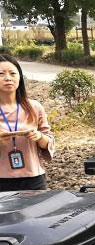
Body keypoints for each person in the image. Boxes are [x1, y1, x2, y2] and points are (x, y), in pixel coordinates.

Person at [0, 55, 54, 191]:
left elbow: (49, 141)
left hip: (34, 179)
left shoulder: (34, 107)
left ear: (20, 77)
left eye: (13, 73)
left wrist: (40, 137)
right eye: (1, 74)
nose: (8, 78)